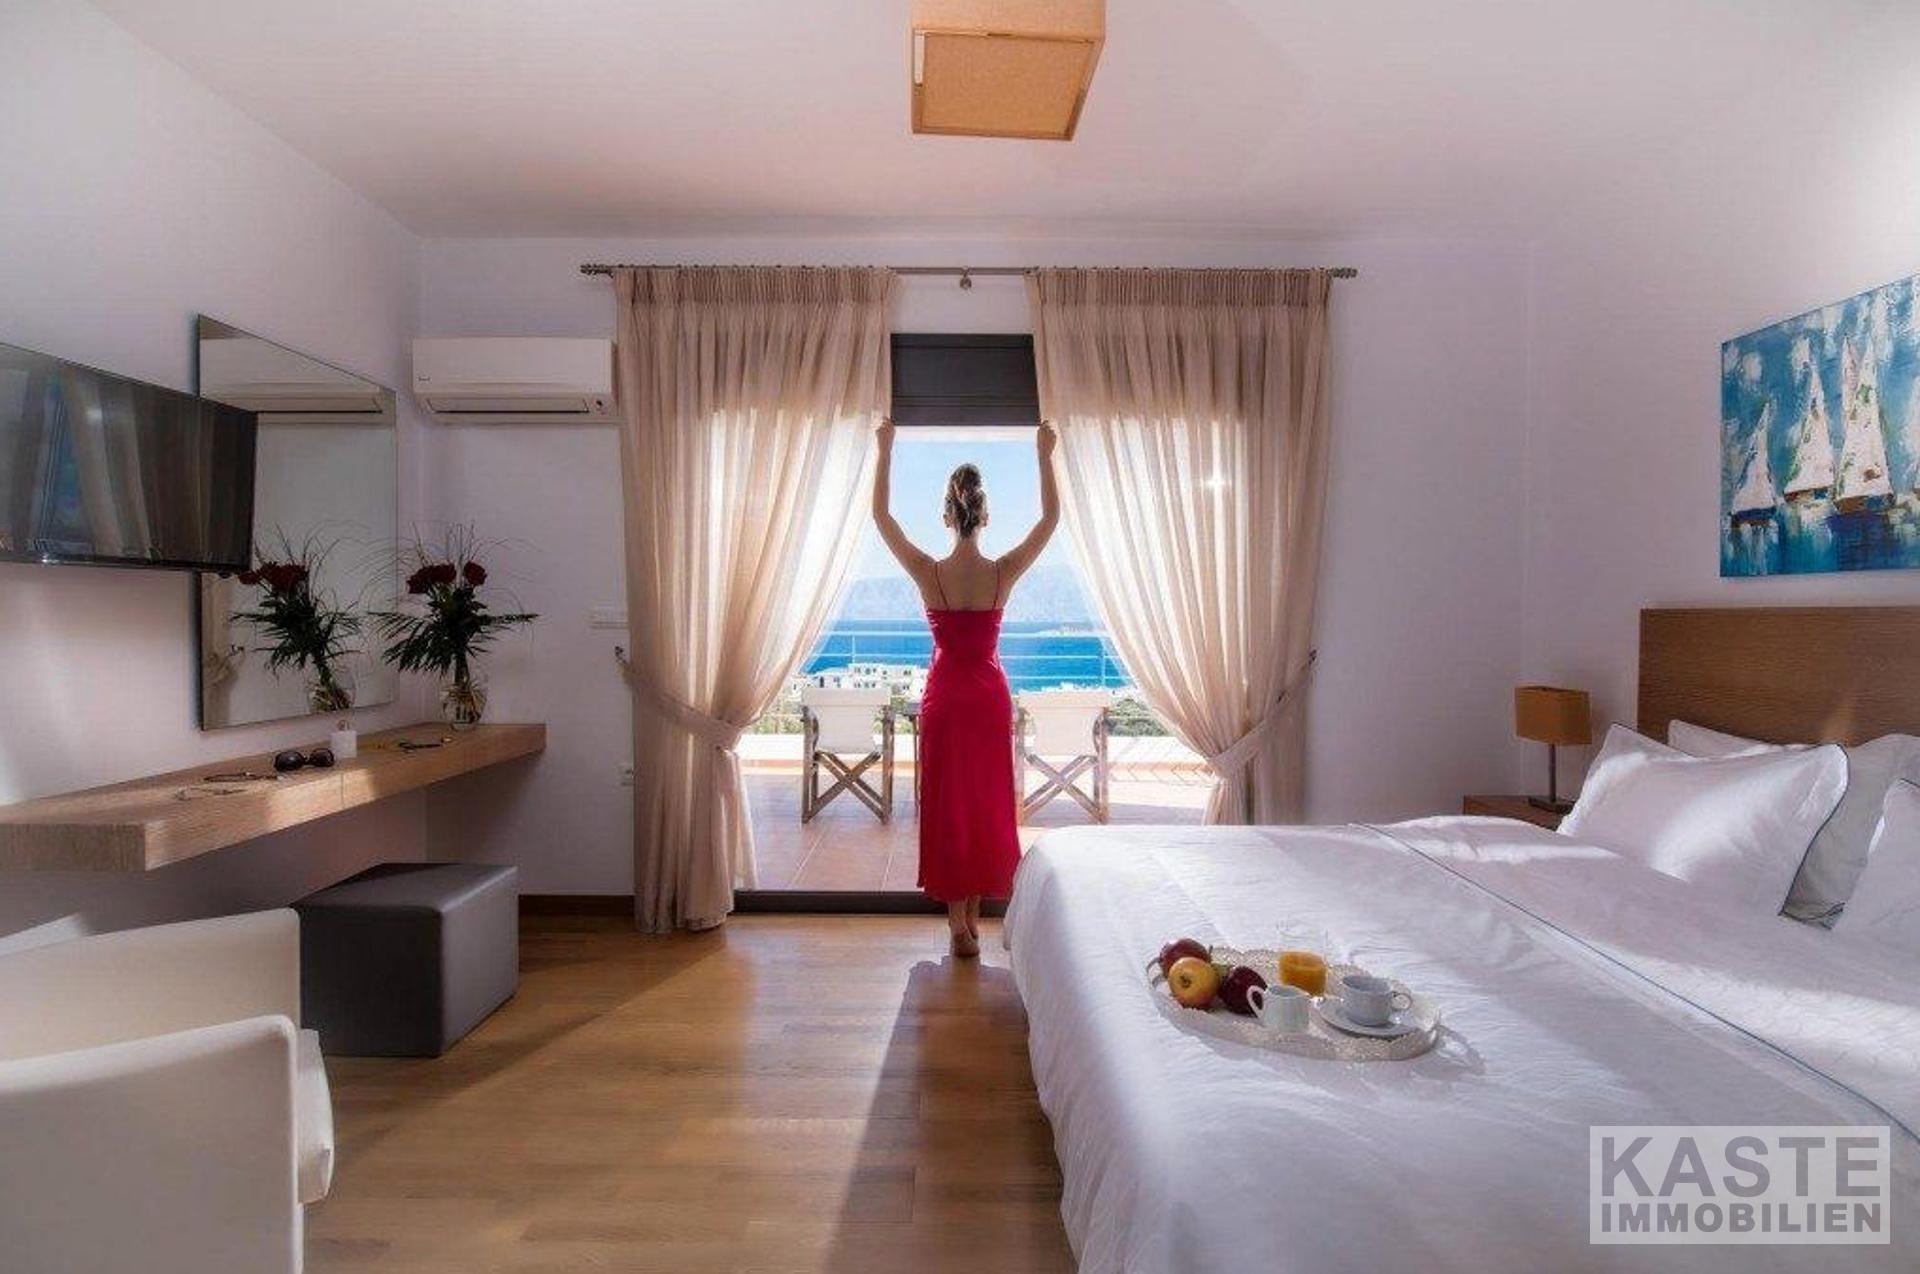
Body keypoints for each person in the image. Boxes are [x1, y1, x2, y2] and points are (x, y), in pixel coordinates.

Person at [870, 418, 1060, 956]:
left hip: (947, 699)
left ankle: (959, 921)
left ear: (947, 516)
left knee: (949, 803)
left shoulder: (928, 572)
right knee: (983, 801)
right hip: (987, 700)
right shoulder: (1003, 572)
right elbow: (1050, 519)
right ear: (985, 515)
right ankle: (973, 915)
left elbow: (881, 517)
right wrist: (1044, 454)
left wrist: (885, 449)